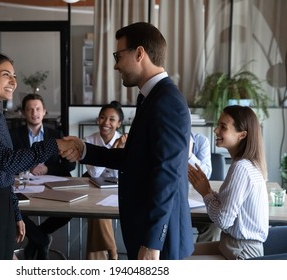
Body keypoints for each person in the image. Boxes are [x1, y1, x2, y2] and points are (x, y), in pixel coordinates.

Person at [65, 22, 194, 260]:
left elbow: (168, 174)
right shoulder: (149, 98)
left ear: (139, 53)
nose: (115, 65)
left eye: (118, 55)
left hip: (160, 241)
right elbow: (133, 158)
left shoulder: (167, 101)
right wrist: (84, 150)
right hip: (146, 231)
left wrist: (152, 242)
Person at [0, 52, 79, 260]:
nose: (13, 81)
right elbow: (8, 161)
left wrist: (15, 212)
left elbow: (4, 174)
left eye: (13, 75)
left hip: (0, 201)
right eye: (6, 74)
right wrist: (54, 144)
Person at [187, 105, 269, 259]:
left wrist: (205, 192)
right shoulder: (247, 164)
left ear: (242, 135)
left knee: (177, 258)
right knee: (179, 252)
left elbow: (223, 221)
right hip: (231, 245)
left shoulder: (241, 168)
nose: (216, 130)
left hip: (241, 253)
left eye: (223, 126)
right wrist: (208, 191)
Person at [10, 93, 75, 260]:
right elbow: (8, 163)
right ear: (24, 113)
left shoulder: (56, 134)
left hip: (50, 186)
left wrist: (47, 168)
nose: (34, 113)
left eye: (38, 108)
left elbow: (70, 166)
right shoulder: (13, 135)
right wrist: (28, 165)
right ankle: (41, 239)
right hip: (23, 185)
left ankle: (38, 238)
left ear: (44, 111)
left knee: (68, 211)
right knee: (12, 209)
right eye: (30, 109)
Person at [83, 101, 127, 260]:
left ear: (119, 123)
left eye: (112, 119)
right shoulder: (88, 140)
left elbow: (122, 172)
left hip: (120, 191)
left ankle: (102, 257)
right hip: (95, 190)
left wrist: (109, 156)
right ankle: (112, 252)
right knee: (98, 213)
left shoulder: (127, 142)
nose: (106, 123)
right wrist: (113, 153)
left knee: (98, 214)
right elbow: (94, 173)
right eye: (102, 118)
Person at [189, 132, 221, 242]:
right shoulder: (160, 139)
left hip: (193, 200)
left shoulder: (200, 141)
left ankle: (199, 256)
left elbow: (205, 176)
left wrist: (189, 156)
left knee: (214, 226)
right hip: (167, 201)